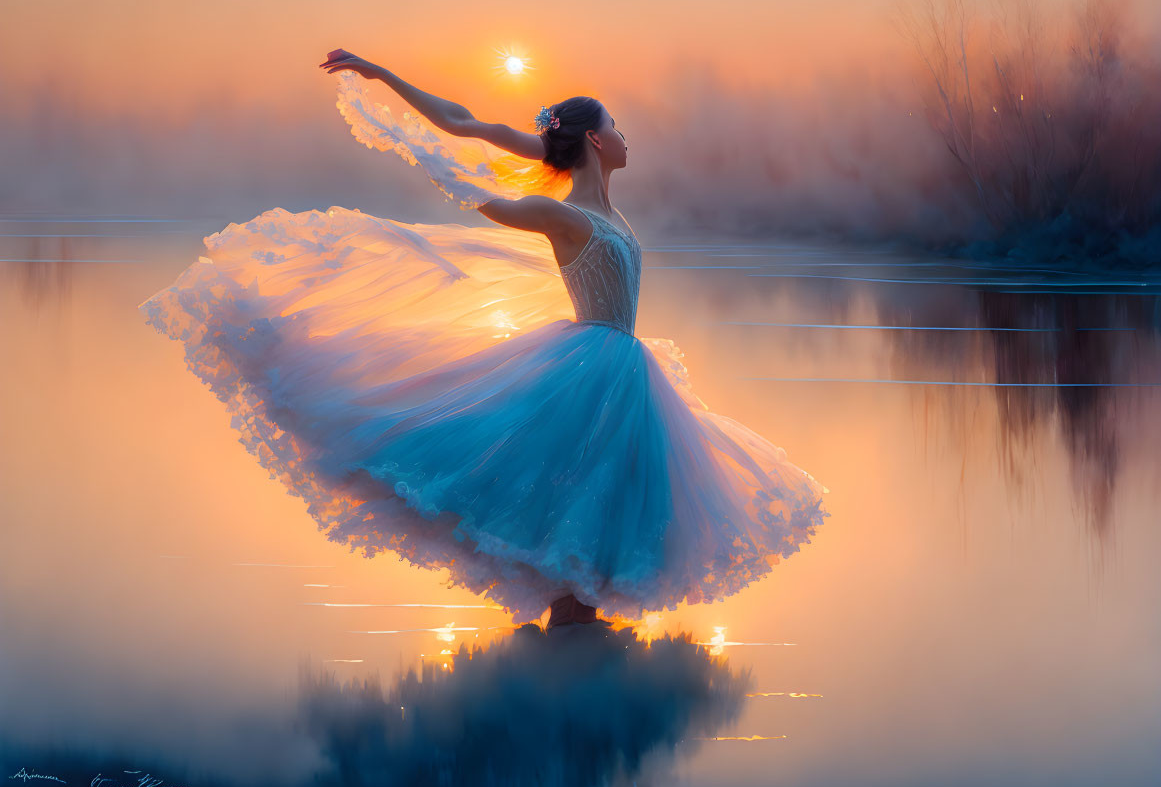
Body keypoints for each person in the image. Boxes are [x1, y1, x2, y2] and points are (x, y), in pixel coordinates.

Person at [138, 48, 829, 631]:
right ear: (593, 139)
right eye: (615, 126)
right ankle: (567, 664)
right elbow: (466, 129)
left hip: (624, 374)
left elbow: (483, 128)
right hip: (589, 372)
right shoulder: (560, 217)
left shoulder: (607, 208)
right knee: (572, 519)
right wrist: (379, 76)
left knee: (600, 523)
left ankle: (578, 666)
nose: (625, 136)